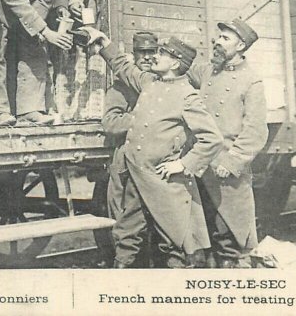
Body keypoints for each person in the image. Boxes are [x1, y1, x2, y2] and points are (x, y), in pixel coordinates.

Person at [84, 27, 224, 268]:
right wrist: (105, 43)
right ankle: (121, 276)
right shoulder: (150, 82)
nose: (154, 57)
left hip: (163, 180)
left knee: (173, 237)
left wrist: (183, 164)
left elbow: (212, 138)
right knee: (126, 231)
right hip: (138, 174)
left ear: (175, 63)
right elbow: (124, 67)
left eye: (162, 54)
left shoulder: (187, 96)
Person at [187, 19, 269, 268]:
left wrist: (232, 161)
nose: (217, 42)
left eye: (225, 38)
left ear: (241, 45)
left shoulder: (251, 81)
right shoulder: (207, 71)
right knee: (204, 236)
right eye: (218, 37)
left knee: (229, 237)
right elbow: (179, 67)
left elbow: (255, 130)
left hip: (227, 172)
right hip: (201, 167)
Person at [101, 31, 158, 266]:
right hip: (126, 162)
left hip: (154, 160)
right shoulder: (121, 87)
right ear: (134, 55)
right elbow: (111, 124)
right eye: (141, 53)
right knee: (125, 219)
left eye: (151, 53)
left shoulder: (159, 82)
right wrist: (147, 117)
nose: (146, 57)